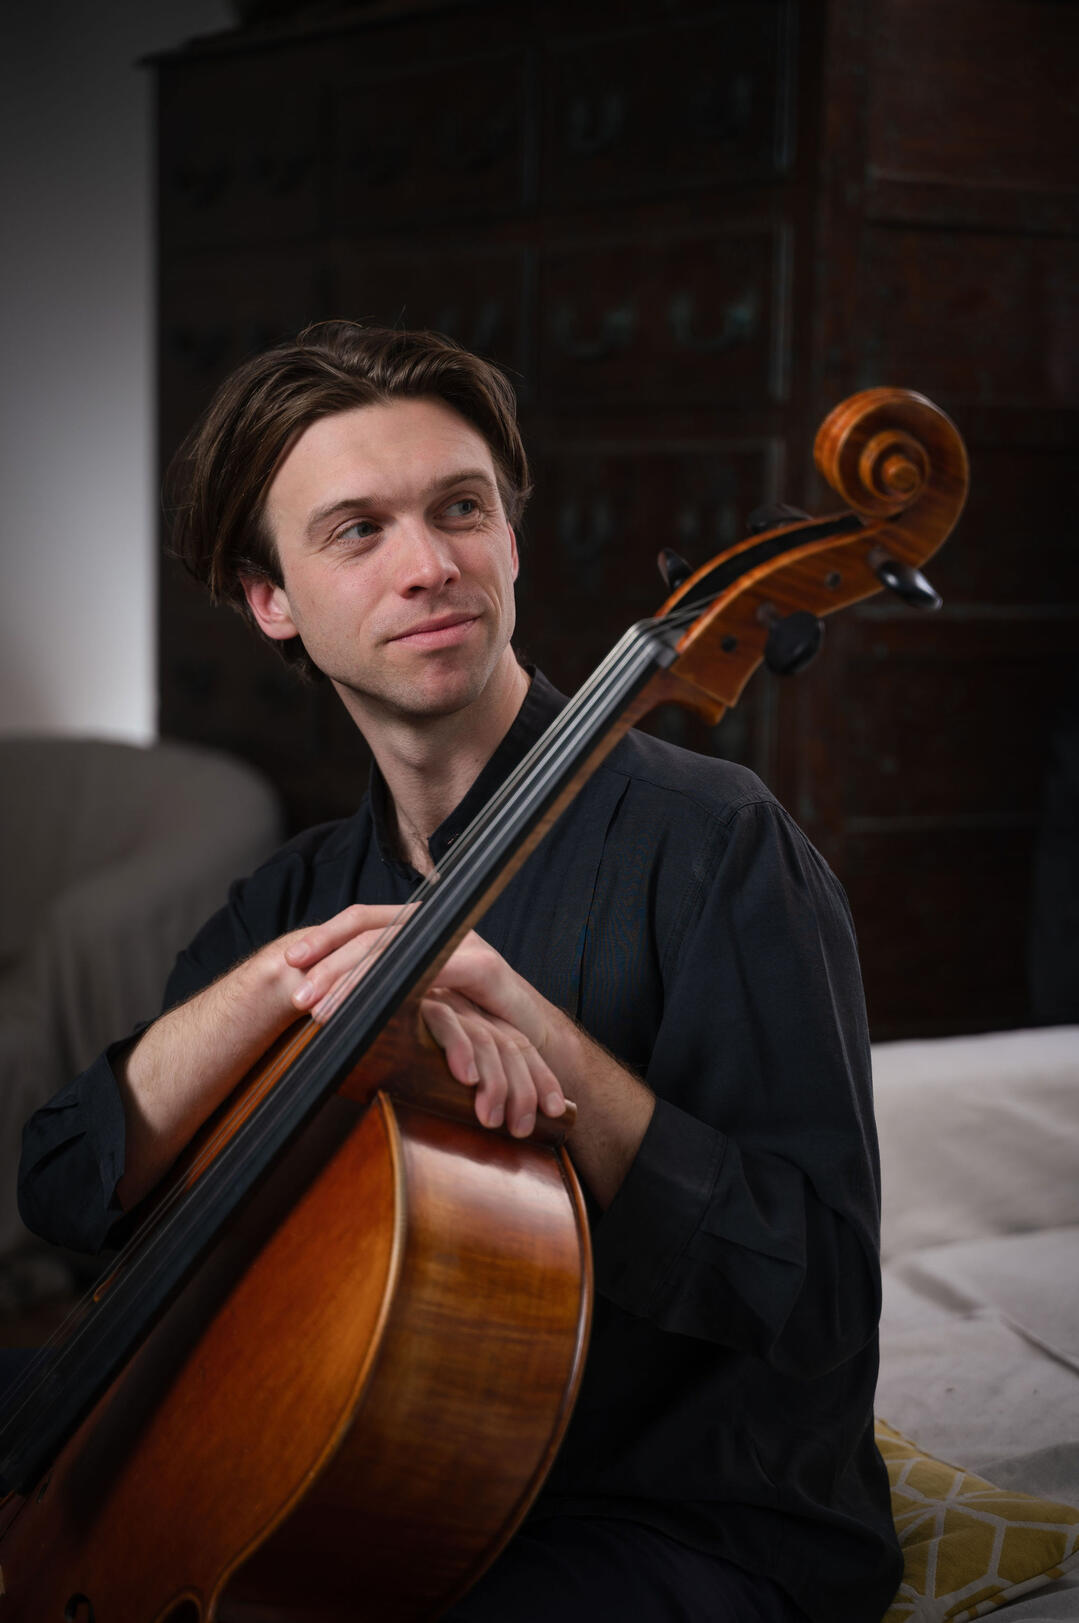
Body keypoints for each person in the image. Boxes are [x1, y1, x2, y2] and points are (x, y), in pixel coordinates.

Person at [18, 323, 901, 1622]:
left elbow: (816, 1293)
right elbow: (62, 1187)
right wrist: (270, 992)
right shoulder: (297, 900)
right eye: (357, 531)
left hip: (681, 1518)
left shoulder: (716, 846)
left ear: (513, 541)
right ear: (272, 600)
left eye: (461, 509)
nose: (430, 565)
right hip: (366, 1472)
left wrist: (553, 1050)